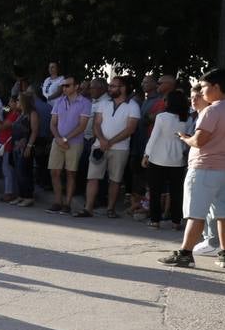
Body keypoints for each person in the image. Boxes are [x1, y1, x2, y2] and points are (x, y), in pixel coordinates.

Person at [160, 69, 225, 268]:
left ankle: (185, 253)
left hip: (205, 167)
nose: (202, 92)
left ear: (216, 87)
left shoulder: (212, 110)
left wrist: (186, 138)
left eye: (204, 87)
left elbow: (200, 141)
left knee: (196, 213)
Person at [76, 76, 139, 218]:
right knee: (92, 177)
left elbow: (130, 129)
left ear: (123, 88)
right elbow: (96, 124)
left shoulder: (133, 106)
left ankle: (110, 209)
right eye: (110, 86)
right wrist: (103, 140)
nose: (109, 88)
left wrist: (109, 142)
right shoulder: (103, 104)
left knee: (115, 179)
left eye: (113, 86)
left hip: (120, 148)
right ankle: (88, 208)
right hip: (99, 145)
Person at [142, 88, 189, 229]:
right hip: (178, 159)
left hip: (158, 158)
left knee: (155, 191)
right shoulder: (187, 118)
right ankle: (176, 221)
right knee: (177, 192)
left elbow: (154, 137)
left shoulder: (161, 117)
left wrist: (146, 154)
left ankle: (155, 220)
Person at [47, 75, 92, 214]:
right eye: (63, 86)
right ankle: (57, 201)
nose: (64, 88)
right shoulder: (59, 101)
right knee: (54, 171)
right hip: (58, 141)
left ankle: (67, 204)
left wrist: (65, 139)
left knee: (70, 173)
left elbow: (82, 126)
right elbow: (52, 123)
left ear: (76, 86)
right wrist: (59, 139)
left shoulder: (85, 103)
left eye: (67, 85)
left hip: (75, 142)